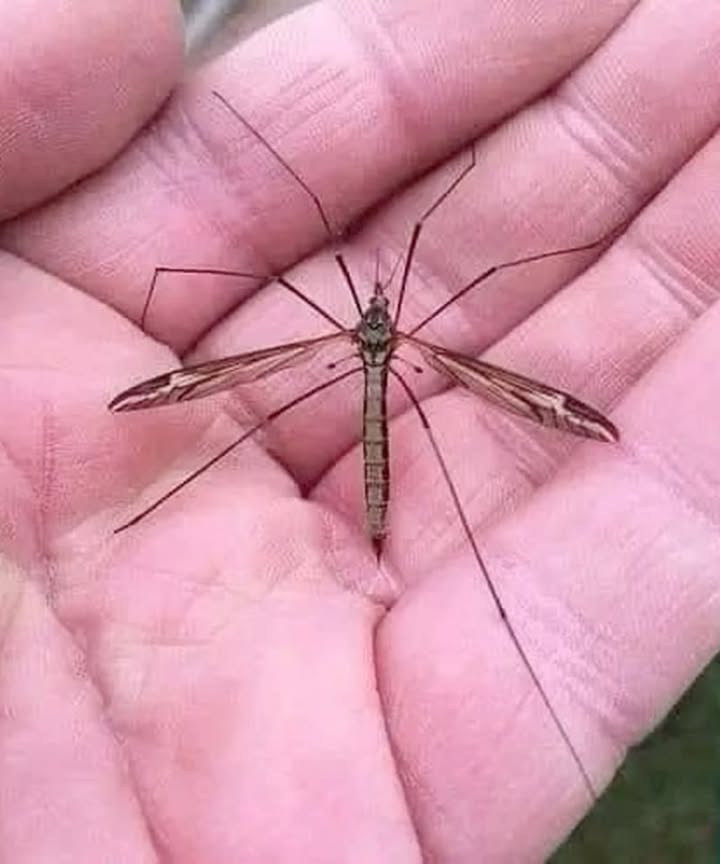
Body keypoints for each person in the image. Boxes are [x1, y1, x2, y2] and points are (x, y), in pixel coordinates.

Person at [0, 1, 718, 861]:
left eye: (375, 309)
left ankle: (497, 625)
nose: (377, 309)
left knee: (271, 437)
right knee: (234, 432)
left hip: (365, 368)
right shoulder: (392, 328)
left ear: (369, 317)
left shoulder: (351, 322)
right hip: (391, 369)